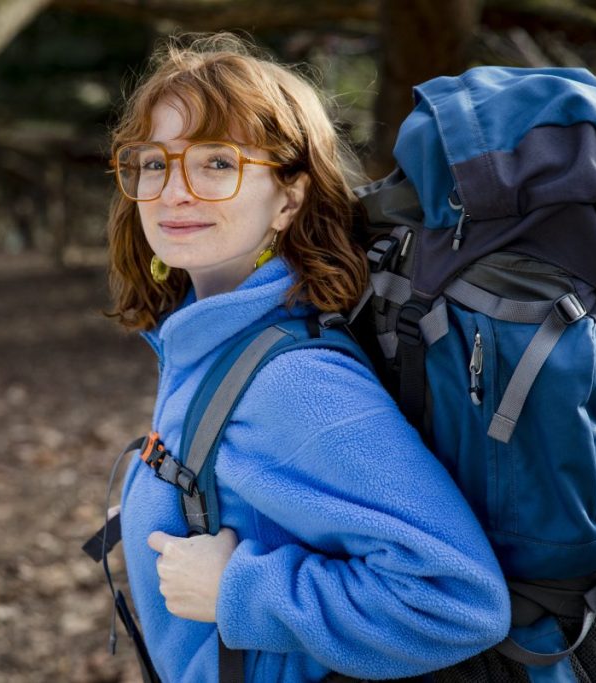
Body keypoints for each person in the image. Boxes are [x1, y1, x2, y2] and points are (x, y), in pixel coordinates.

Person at [104, 33, 510, 683]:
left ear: (288, 197)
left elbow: (459, 600)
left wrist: (238, 589)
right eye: (154, 162)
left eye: (216, 163)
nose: (173, 190)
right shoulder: (209, 337)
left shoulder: (293, 383)